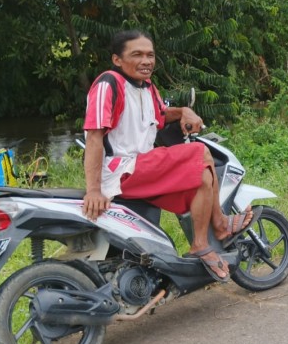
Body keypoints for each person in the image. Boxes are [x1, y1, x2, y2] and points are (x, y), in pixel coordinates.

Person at [82, 30, 252, 281]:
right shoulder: (108, 84)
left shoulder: (147, 87)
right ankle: (217, 227)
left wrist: (184, 111)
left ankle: (200, 243)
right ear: (117, 60)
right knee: (200, 152)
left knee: (203, 179)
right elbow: (94, 138)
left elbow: (160, 116)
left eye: (150, 55)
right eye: (136, 55)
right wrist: (93, 190)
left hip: (142, 168)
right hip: (120, 171)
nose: (146, 61)